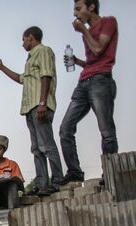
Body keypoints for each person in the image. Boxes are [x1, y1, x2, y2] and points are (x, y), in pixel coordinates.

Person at [0, 26, 63, 196]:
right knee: (36, 148)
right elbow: (21, 79)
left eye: (24, 39)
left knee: (46, 145)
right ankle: (42, 184)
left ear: (31, 38)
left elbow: (46, 75)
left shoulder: (44, 51)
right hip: (30, 107)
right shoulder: (30, 59)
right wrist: (2, 68)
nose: (23, 43)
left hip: (39, 105)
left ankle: (58, 180)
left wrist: (42, 102)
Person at [59, 0, 119, 184]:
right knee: (65, 129)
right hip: (84, 81)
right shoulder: (87, 32)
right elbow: (92, 61)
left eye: (78, 9)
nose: (76, 14)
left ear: (91, 7)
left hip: (101, 81)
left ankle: (109, 173)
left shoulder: (108, 22)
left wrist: (84, 31)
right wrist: (77, 61)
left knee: (106, 130)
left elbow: (99, 49)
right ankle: (75, 172)